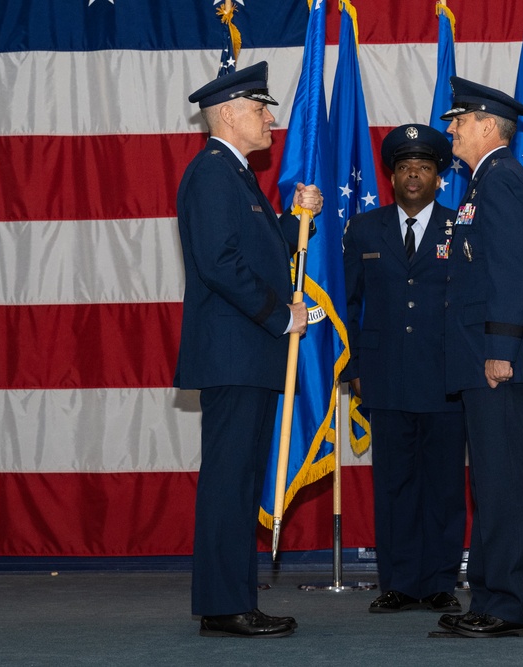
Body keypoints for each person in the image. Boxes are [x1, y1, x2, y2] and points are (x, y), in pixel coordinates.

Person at [175, 61, 324, 638]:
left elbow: (255, 245)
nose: (268, 120)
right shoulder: (213, 174)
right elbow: (220, 264)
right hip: (235, 352)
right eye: (260, 110)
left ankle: (231, 598)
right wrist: (278, 314)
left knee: (237, 481)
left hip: (245, 353)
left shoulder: (233, 175)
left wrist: (297, 220)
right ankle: (223, 603)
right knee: (229, 481)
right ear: (230, 115)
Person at [433, 77, 523, 639]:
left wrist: (501, 350)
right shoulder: (485, 183)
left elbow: (511, 272)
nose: (450, 129)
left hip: (496, 361)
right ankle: (489, 594)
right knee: (490, 479)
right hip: (484, 358)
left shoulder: (500, 181)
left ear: (486, 124)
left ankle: (510, 605)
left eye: (458, 120)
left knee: (502, 482)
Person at [341, 124, 467, 615]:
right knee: (393, 485)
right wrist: (352, 363)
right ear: (391, 175)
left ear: (440, 177)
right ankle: (396, 583)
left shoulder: (461, 227)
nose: (414, 174)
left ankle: (438, 582)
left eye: (425, 167)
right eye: (405, 167)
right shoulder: (364, 229)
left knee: (442, 486)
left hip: (445, 378)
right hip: (384, 375)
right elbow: (347, 304)